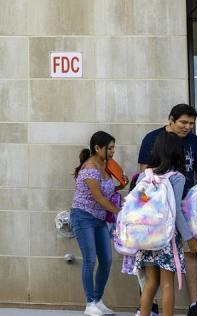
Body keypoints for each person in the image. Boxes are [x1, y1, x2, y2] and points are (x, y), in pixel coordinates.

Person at [137, 104, 197, 316]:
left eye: (191, 123)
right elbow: (176, 209)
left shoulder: (146, 175)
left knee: (151, 281)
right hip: (168, 231)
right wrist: (188, 237)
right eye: (183, 122)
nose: (188, 127)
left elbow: (140, 197)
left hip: (147, 230)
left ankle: (188, 305)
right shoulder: (176, 177)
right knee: (167, 283)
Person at [70, 131, 120, 316]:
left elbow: (107, 190)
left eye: (114, 147)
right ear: (97, 148)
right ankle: (89, 303)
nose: (113, 151)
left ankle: (98, 300)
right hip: (83, 217)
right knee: (90, 260)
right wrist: (119, 212)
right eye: (110, 148)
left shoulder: (105, 165)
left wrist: (120, 184)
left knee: (106, 261)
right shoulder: (90, 168)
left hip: (99, 218)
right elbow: (98, 197)